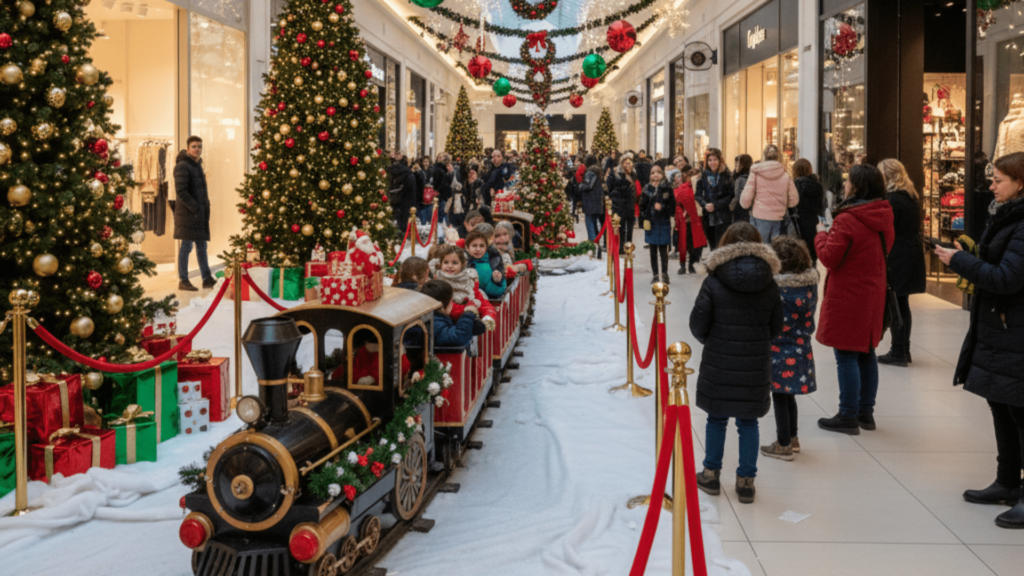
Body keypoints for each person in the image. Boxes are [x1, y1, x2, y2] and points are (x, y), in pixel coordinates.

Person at [935, 152, 1024, 529]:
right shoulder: (1005, 215)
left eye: (999, 180)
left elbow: (1008, 278)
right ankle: (1006, 481)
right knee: (1001, 404)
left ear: (1020, 182)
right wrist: (968, 256)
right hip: (999, 330)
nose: (991, 185)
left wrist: (961, 262)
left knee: (1018, 410)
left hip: (1014, 329)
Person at [690, 222, 784, 504]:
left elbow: (697, 324)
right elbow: (777, 326)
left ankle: (710, 473)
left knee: (716, 418)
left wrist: (715, 340)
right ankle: (745, 482)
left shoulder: (714, 280)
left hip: (719, 361)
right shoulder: (769, 282)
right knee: (748, 421)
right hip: (755, 365)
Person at [815, 164, 895, 435]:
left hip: (849, 294)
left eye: (849, 180)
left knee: (846, 354)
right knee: (866, 351)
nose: (845, 184)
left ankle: (848, 415)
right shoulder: (883, 214)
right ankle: (865, 413)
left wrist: (821, 234)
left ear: (857, 186)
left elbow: (829, 257)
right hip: (873, 291)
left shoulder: (847, 219)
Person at [761, 236, 819, 461]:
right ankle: (793, 438)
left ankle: (783, 443)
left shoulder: (776, 288)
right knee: (789, 395)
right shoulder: (810, 284)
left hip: (778, 348)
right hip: (802, 346)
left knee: (779, 396)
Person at [877, 159, 927, 366]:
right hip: (911, 253)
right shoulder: (911, 196)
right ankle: (902, 349)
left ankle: (898, 350)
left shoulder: (891, 200)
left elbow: (886, 230)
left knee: (896, 304)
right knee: (902, 303)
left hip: (898, 255)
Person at [173, 135, 215, 292]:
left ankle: (206, 278)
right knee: (186, 246)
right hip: (189, 215)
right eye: (194, 146)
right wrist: (196, 208)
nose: (197, 149)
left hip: (199, 215)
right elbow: (181, 192)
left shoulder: (197, 165)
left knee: (202, 246)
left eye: (199, 146)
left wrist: (203, 208)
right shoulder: (183, 166)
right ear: (188, 148)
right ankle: (183, 279)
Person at [739, 145, 799, 242]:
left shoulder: (756, 172)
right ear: (779, 157)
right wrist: (781, 204)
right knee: (776, 250)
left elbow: (745, 201)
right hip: (779, 219)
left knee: (760, 250)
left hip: (759, 218)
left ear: (764, 156)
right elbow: (794, 200)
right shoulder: (785, 174)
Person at [428, 244, 495, 331]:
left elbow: (481, 300)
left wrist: (488, 316)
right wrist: (470, 309)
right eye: (446, 262)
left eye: (455, 263)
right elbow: (448, 309)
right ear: (440, 264)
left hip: (468, 323)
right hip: (448, 327)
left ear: (462, 264)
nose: (450, 266)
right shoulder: (437, 283)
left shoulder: (469, 281)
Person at [639, 165, 676, 284]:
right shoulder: (646, 188)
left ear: (662, 174)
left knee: (663, 250)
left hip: (663, 222)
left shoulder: (667, 188)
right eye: (653, 172)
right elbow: (642, 206)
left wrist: (663, 207)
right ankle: (655, 274)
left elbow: (672, 208)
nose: (655, 175)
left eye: (658, 172)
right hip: (651, 223)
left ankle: (664, 273)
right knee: (653, 250)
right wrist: (645, 216)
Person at [420, 280, 479, 348]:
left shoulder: (434, 318)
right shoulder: (435, 322)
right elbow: (459, 337)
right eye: (451, 300)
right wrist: (468, 314)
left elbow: (479, 328)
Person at [695, 148, 734, 249]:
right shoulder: (704, 174)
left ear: (720, 160)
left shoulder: (727, 175)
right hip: (708, 215)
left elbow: (731, 195)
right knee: (712, 244)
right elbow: (698, 195)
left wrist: (716, 205)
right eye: (710, 160)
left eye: (715, 159)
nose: (712, 163)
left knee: (723, 244)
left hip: (723, 215)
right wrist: (705, 204)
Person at [674, 167, 708, 274]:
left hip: (697, 220)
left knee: (693, 244)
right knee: (686, 244)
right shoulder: (683, 189)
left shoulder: (701, 187)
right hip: (687, 220)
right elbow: (677, 202)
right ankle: (685, 265)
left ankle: (690, 265)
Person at [792, 159, 826, 264]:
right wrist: (823, 226)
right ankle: (813, 279)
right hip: (814, 225)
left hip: (798, 225)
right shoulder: (818, 186)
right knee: (812, 258)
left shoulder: (794, 186)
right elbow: (822, 208)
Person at [607, 155, 639, 250]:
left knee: (629, 229)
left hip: (629, 205)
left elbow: (634, 189)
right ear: (621, 163)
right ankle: (619, 247)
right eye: (626, 162)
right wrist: (615, 194)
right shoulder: (615, 172)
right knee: (620, 228)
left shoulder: (633, 173)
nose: (628, 165)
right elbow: (609, 187)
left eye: (629, 162)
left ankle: (628, 247)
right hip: (618, 204)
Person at [465, 230, 507, 298]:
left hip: (490, 299)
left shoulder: (494, 260)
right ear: (467, 247)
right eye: (474, 245)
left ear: (486, 247)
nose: (478, 249)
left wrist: (496, 281)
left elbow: (500, 289)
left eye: (481, 246)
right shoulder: (462, 262)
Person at [578, 155, 606, 247]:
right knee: (594, 224)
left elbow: (588, 186)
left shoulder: (590, 172)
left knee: (590, 224)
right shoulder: (597, 170)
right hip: (596, 201)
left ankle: (593, 245)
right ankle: (596, 243)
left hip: (590, 201)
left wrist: (580, 186)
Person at [388, 152, 418, 238]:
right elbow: (412, 192)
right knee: (404, 225)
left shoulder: (391, 173)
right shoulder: (409, 174)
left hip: (393, 200)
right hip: (406, 204)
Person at [731, 155, 753, 224]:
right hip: (750, 209)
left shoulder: (740, 179)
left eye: (739, 163)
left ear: (743, 165)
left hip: (741, 209)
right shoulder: (752, 176)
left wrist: (732, 204)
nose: (737, 165)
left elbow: (737, 196)